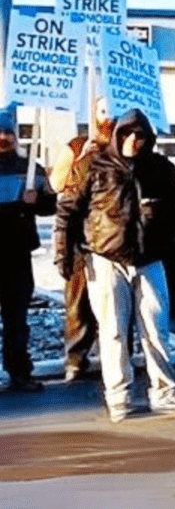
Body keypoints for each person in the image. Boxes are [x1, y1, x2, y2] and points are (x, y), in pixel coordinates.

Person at [54, 109, 175, 422]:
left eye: (141, 135)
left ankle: (164, 392)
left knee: (156, 328)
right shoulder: (93, 165)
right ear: (118, 134)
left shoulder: (161, 168)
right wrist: (64, 255)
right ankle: (118, 397)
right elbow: (67, 212)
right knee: (113, 331)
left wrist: (159, 216)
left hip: (149, 258)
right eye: (129, 134)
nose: (135, 141)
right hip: (105, 258)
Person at [50, 97, 113, 382]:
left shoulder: (122, 145)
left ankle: (112, 356)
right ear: (93, 114)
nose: (107, 116)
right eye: (102, 110)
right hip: (78, 235)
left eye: (111, 110)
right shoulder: (76, 145)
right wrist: (80, 158)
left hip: (110, 235)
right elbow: (56, 185)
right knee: (77, 301)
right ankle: (76, 359)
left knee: (114, 301)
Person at [0, 108, 56, 392]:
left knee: (16, 319)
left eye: (9, 132)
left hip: (17, 255)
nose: (3, 137)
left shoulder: (31, 168)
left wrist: (37, 202)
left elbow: (51, 205)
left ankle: (19, 372)